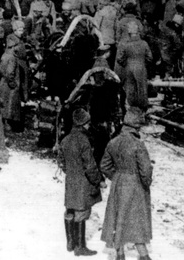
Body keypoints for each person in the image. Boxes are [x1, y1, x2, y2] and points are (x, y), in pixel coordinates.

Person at [100, 109, 153, 260]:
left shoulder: (113, 142)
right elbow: (146, 170)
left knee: (119, 219)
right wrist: (146, 184)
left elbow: (104, 165)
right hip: (136, 186)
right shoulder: (138, 145)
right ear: (137, 126)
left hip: (119, 184)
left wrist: (116, 177)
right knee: (137, 221)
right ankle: (144, 256)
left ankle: (120, 254)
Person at [59, 108, 105, 256]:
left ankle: (70, 243)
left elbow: (61, 161)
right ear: (84, 123)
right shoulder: (84, 141)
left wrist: (70, 172)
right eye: (87, 123)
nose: (89, 126)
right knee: (81, 213)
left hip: (70, 181)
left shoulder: (65, 139)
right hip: (82, 183)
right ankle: (80, 247)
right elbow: (90, 165)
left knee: (69, 211)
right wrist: (98, 181)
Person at [115, 21, 153, 111]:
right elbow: (150, 58)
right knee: (142, 88)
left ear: (129, 32)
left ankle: (133, 108)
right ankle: (142, 109)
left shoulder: (126, 44)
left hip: (129, 68)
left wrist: (126, 64)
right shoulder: (144, 43)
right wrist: (143, 63)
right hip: (141, 67)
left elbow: (119, 59)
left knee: (131, 89)